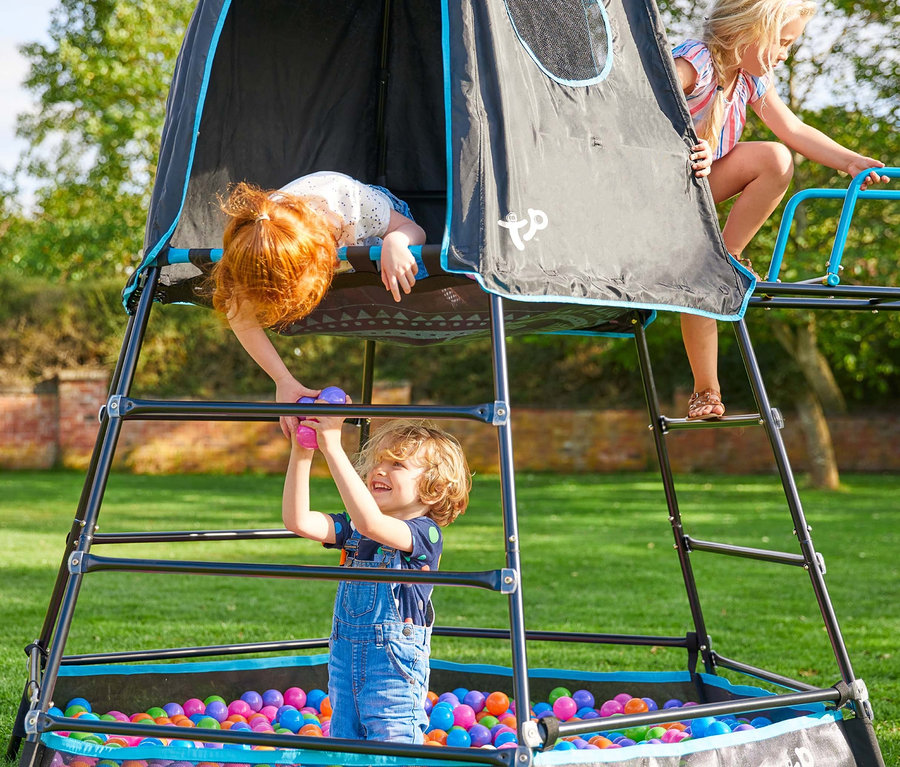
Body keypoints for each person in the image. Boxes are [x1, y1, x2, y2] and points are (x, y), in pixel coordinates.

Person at [674, 0, 890, 419]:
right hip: (661, 186)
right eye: (783, 42)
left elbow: (793, 129)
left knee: (776, 157)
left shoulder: (751, 80)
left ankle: (727, 256)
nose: (786, 54)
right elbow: (638, 104)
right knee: (696, 268)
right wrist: (676, 144)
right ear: (750, 30)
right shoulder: (694, 63)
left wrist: (850, 161)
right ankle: (706, 388)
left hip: (698, 185)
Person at [281, 416, 471, 743]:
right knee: (345, 749)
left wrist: (333, 447)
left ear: (433, 488)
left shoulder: (424, 533)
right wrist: (303, 451)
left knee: (392, 754)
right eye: (378, 462)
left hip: (392, 676)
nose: (379, 470)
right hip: (343, 668)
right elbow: (297, 520)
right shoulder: (356, 529)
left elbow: (369, 521)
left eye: (396, 464)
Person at [211, 171, 427, 436]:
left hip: (381, 231)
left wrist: (397, 242)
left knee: (409, 272)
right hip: (326, 248)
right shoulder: (254, 239)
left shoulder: (353, 203)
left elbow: (412, 229)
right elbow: (240, 315)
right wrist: (283, 380)